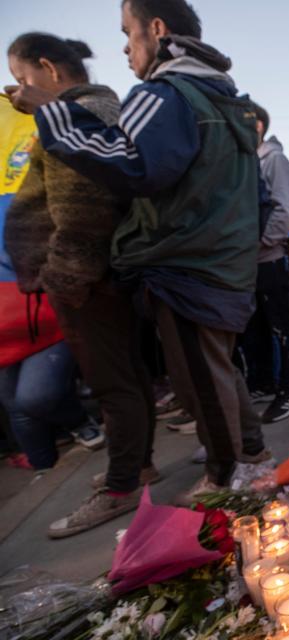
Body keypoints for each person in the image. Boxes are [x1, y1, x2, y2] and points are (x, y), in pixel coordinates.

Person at [5, 0, 270, 506]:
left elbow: (131, 163)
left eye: (128, 34)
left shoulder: (166, 92)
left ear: (156, 28)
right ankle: (246, 465)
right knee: (212, 375)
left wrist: (52, 112)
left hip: (188, 263)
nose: (124, 48)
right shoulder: (219, 95)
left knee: (200, 385)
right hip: (217, 262)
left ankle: (230, 484)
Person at [5, 33, 163, 537]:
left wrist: (64, 276)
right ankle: (137, 467)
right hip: (104, 272)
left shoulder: (73, 114)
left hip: (88, 277)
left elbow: (81, 209)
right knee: (130, 376)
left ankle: (120, 488)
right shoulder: (93, 109)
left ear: (48, 68)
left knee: (114, 384)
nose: (17, 90)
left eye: (22, 78)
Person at [0, 91, 102, 480]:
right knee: (14, 401)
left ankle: (82, 423)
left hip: (37, 301)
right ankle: (44, 471)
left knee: (34, 395)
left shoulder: (39, 134)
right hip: (9, 316)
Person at [240, 102, 289, 423]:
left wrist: (261, 242)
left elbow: (286, 209)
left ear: (257, 126)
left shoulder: (273, 159)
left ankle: (288, 391)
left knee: (281, 328)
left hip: (269, 260)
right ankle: (262, 383)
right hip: (251, 262)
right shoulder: (247, 160)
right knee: (255, 329)